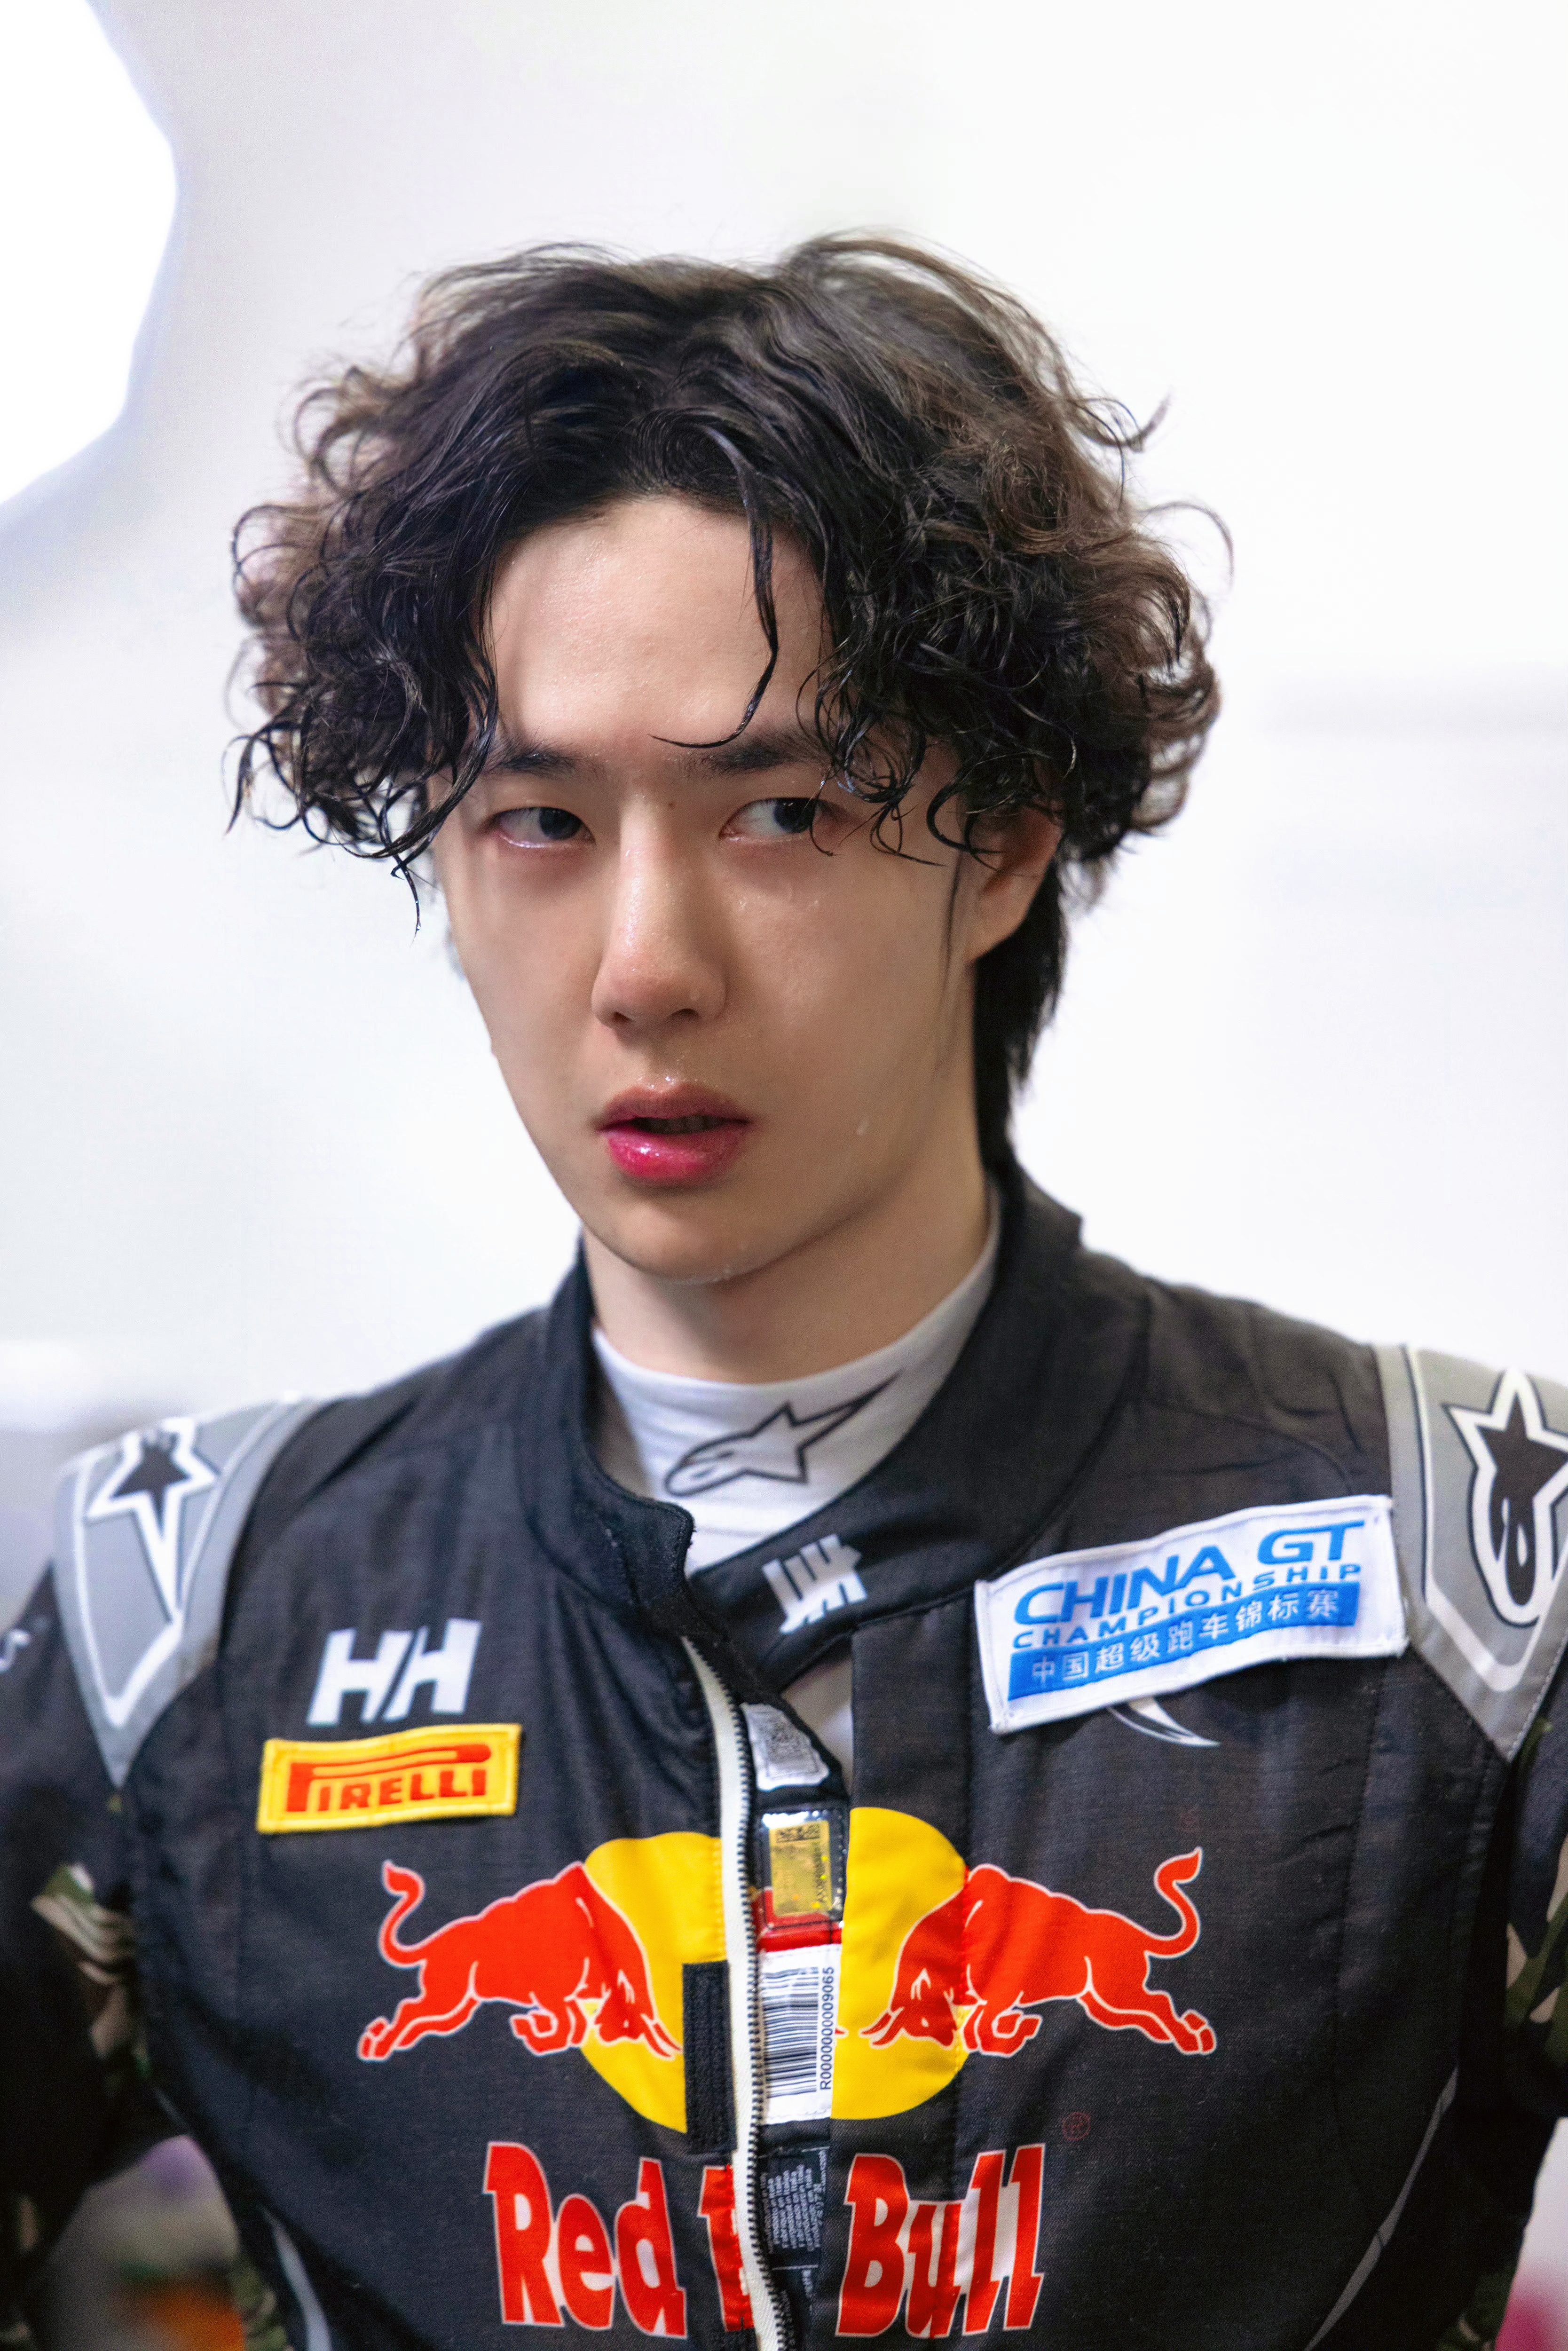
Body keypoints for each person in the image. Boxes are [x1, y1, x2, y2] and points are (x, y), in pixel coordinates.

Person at [3, 238, 1565, 2351]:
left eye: (783, 811)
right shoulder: (184, 1615)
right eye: (539, 817)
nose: (647, 963)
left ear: (1001, 844)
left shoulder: (1472, 1571)